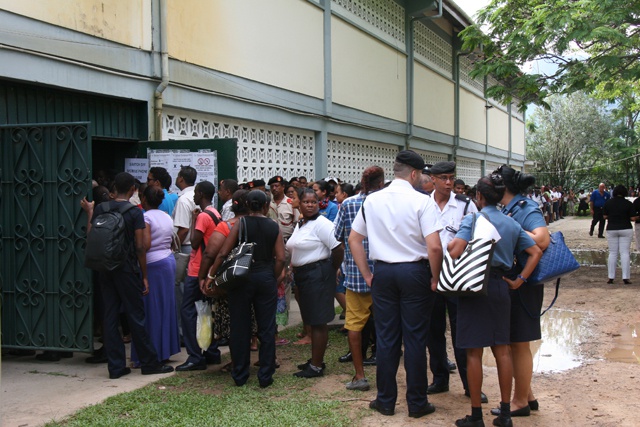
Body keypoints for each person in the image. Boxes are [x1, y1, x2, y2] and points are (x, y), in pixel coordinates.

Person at [349, 150, 443, 419]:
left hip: (384, 274)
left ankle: (385, 400)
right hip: (415, 272)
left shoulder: (372, 200)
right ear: (414, 174)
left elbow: (355, 239)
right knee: (415, 339)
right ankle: (417, 402)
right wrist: (435, 278)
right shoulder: (422, 201)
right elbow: (434, 247)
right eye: (422, 174)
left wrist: (367, 275)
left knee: (387, 338)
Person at [449, 174, 542, 427]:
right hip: (502, 287)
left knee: (473, 353)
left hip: (474, 287)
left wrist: (451, 242)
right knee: (502, 350)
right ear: (501, 196)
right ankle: (505, 414)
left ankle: (476, 415)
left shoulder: (473, 218)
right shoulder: (512, 224)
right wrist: (520, 279)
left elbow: (455, 250)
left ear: (478, 196)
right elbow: (535, 251)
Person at [82, 172, 174, 379]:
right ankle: (149, 362)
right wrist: (144, 275)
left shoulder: (101, 208)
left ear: (114, 188)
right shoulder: (134, 212)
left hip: (105, 269)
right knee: (136, 316)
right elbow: (141, 246)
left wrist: (89, 212)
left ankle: (115, 367)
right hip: (127, 269)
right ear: (133, 190)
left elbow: (91, 235)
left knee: (110, 316)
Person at [204, 190, 286, 387]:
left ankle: (240, 374)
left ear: (248, 205)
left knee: (240, 327)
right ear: (266, 207)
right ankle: (265, 375)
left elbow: (223, 252)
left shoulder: (240, 223)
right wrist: (272, 277)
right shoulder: (273, 226)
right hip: (265, 275)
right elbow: (281, 258)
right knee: (266, 327)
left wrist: (211, 275)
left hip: (241, 278)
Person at [424, 162, 486, 403]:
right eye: (443, 178)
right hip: (430, 273)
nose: (448, 183)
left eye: (451, 178)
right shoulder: (423, 203)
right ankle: (440, 378)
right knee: (433, 330)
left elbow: (477, 237)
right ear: (433, 179)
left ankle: (471, 384)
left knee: (463, 331)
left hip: (458, 274)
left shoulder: (465, 205)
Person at [491, 164, 550, 419]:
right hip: (514, 282)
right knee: (515, 341)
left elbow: (542, 238)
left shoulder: (526, 208)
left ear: (503, 186)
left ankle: (519, 402)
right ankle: (527, 394)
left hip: (523, 285)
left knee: (519, 342)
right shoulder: (509, 208)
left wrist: (512, 230)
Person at [334, 167, 384, 392]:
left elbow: (338, 235)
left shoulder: (348, 204)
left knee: (354, 325)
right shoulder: (386, 203)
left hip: (356, 276)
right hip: (384, 275)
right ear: (381, 182)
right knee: (386, 327)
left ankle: (359, 375)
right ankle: (386, 373)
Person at [287, 188, 344, 378]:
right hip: (303, 276)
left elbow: (338, 248)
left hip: (317, 274)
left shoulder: (322, 224)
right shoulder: (301, 223)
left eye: (313, 202)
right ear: (300, 204)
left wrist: (331, 268)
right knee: (311, 319)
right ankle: (314, 360)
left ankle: (317, 366)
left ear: (318, 203)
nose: (310, 205)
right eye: (306, 202)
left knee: (319, 321)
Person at [131, 185, 180, 367]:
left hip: (153, 265)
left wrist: (143, 274)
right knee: (166, 307)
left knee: (150, 308)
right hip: (168, 261)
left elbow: (144, 246)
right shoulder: (166, 216)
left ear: (144, 199)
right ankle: (164, 349)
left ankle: (150, 353)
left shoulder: (145, 217)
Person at [175, 181, 222, 372]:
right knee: (207, 311)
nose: (193, 196)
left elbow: (195, 243)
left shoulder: (203, 216)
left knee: (187, 312)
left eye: (195, 193)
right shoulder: (216, 213)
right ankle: (211, 351)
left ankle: (195, 356)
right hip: (209, 270)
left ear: (201, 194)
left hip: (197, 270)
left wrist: (194, 222)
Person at [172, 166, 198, 338]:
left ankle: (182, 332)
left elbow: (182, 229)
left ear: (181, 179)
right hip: (194, 247)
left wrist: (173, 248)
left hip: (185, 247)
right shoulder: (196, 195)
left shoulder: (183, 200)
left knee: (181, 290)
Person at [604, 185, 638, 284]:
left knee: (613, 253)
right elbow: (632, 218)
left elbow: (605, 216)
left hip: (612, 228)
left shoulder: (608, 202)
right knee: (625, 253)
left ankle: (611, 277)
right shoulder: (628, 203)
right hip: (626, 228)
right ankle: (625, 277)